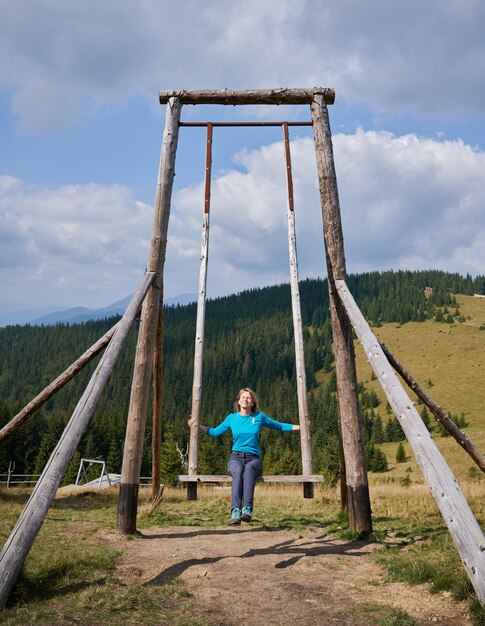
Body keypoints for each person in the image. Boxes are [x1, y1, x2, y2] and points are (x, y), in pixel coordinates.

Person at [188, 387, 301, 526]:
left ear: (252, 402)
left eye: (249, 398)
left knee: (249, 470)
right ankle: (235, 511)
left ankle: (246, 509)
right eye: (243, 397)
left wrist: (300, 427)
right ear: (238, 401)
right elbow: (214, 432)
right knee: (238, 470)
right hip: (236, 457)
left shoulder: (259, 417)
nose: (246, 400)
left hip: (253, 458)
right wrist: (197, 425)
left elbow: (279, 426)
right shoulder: (232, 418)